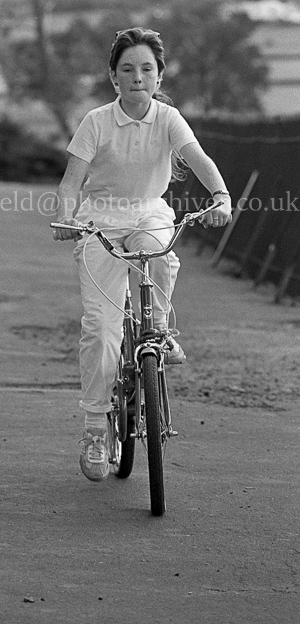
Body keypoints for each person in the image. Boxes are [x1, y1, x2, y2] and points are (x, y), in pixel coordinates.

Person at [53, 27, 232, 483]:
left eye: (146, 69)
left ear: (159, 76)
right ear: (114, 78)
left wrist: (221, 195)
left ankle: (159, 330)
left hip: (149, 212)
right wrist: (64, 217)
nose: (137, 77)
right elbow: (72, 181)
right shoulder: (96, 121)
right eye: (127, 69)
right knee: (100, 327)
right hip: (100, 218)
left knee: (160, 254)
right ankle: (96, 427)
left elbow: (198, 157)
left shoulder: (168, 118)